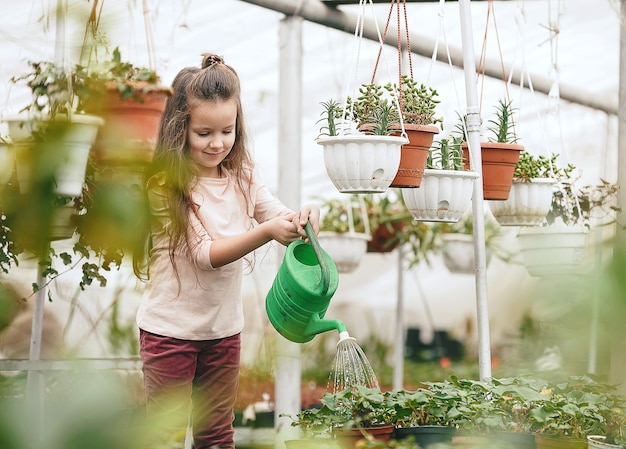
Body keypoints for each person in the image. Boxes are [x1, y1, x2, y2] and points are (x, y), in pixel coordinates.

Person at [134, 52, 320, 449]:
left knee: (217, 435)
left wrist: (302, 218)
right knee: (164, 436)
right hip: (169, 333)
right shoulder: (166, 187)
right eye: (204, 133)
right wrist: (268, 232)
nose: (218, 143)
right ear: (179, 129)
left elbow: (276, 213)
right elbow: (206, 254)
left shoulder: (243, 176)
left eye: (227, 130)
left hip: (222, 331)